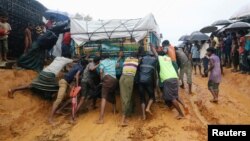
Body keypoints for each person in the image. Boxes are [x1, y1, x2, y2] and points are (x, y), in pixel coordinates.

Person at [150, 44, 188, 119]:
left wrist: (152, 47)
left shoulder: (159, 59)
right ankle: (184, 105)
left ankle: (181, 114)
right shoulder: (168, 58)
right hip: (174, 78)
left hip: (168, 79)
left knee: (172, 98)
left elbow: (155, 53)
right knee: (176, 95)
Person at [8, 57, 73, 98]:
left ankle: (13, 90)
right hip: (49, 75)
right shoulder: (67, 60)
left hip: (43, 72)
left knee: (31, 85)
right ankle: (48, 98)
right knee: (57, 87)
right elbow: (72, 63)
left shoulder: (57, 57)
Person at [48, 59, 87, 124]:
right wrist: (77, 85)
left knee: (69, 97)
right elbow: (77, 75)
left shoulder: (77, 64)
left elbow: (70, 68)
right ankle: (50, 118)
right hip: (64, 83)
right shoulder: (81, 67)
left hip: (65, 82)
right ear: (84, 65)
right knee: (58, 100)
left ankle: (59, 110)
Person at [96, 53, 121, 124]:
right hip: (114, 80)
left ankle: (101, 119)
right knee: (112, 93)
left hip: (107, 79)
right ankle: (114, 110)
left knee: (104, 97)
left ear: (103, 58)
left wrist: (101, 79)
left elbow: (101, 71)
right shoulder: (113, 61)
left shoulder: (102, 62)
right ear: (109, 57)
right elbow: (118, 65)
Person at [119, 53, 138, 126]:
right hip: (129, 79)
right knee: (127, 98)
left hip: (122, 78)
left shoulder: (126, 60)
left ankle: (128, 114)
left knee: (124, 97)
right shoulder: (136, 60)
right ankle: (122, 121)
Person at [138, 51, 157, 120]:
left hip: (140, 80)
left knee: (142, 99)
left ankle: (143, 115)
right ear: (151, 55)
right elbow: (154, 74)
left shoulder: (141, 58)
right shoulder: (154, 59)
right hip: (149, 81)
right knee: (152, 96)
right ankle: (148, 108)